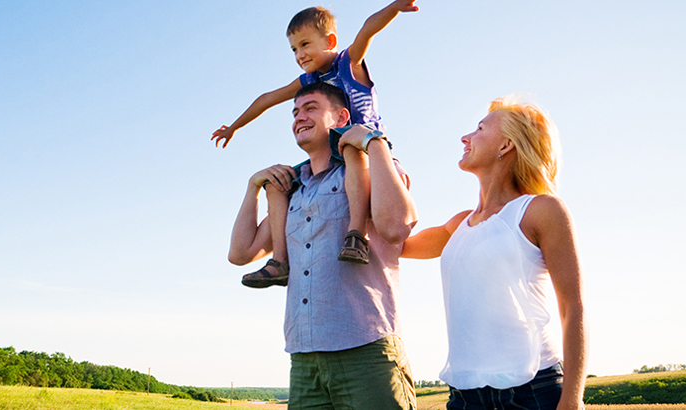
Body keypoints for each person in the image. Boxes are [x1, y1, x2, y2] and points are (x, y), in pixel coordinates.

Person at [227, 82, 419, 409]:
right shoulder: (292, 191)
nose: (299, 117)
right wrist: (253, 187)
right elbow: (240, 253)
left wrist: (375, 144)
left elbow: (398, 226)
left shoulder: (370, 166)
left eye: (311, 108)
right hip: (304, 359)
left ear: (341, 116)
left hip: (366, 350)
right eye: (295, 112)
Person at [213, 1, 419, 287]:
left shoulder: (348, 63)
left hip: (363, 146)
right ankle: (280, 262)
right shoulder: (309, 81)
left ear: (330, 41)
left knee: (349, 145)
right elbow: (268, 98)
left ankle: (356, 234)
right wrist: (234, 126)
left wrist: (395, 8)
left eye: (305, 44)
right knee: (277, 182)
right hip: (330, 155)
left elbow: (367, 30)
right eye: (294, 49)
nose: (299, 54)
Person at [401, 96, 587, 410]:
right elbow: (393, 244)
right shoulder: (459, 225)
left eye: (479, 129)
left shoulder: (540, 211)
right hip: (464, 397)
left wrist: (571, 399)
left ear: (505, 147)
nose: (465, 137)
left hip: (531, 391)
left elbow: (573, 307)